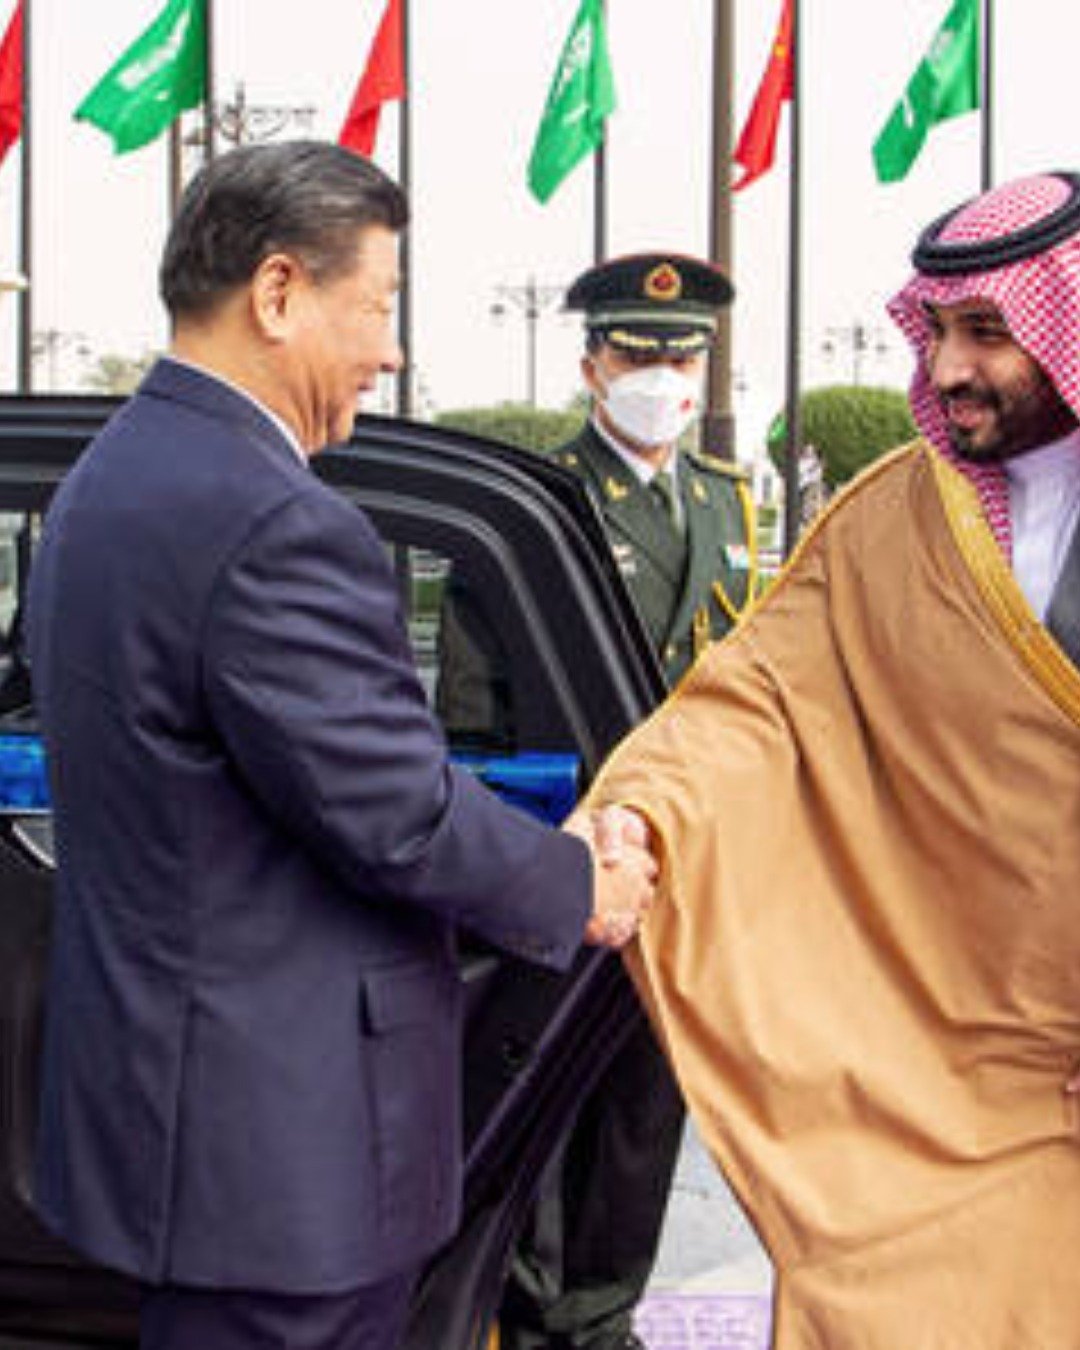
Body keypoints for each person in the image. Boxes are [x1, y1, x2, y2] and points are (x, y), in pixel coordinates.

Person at [24, 141, 655, 1350]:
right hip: (281, 1166)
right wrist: (582, 881)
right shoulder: (272, 520)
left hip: (181, 1136)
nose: (392, 350)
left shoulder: (111, 482)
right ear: (278, 292)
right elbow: (396, 814)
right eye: (379, 303)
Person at [586, 170, 1080, 1346]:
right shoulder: (897, 513)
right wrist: (641, 810)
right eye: (938, 331)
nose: (949, 368)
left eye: (987, 333)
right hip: (941, 1045)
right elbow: (758, 696)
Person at [483, 253, 756, 1350]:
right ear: (593, 363)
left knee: (647, 1107)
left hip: (683, 865)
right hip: (572, 851)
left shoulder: (724, 500)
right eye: (640, 356)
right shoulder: (544, 499)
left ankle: (604, 1314)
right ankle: (533, 1319)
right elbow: (484, 701)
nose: (663, 379)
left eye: (683, 360)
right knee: (549, 1105)